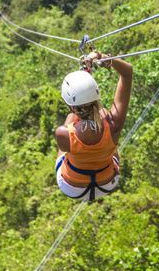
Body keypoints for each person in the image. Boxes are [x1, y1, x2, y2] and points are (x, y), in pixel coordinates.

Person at [54, 52, 132, 201]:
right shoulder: (113, 122)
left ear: (70, 106)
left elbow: (77, 122)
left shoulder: (62, 133)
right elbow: (127, 72)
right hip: (107, 182)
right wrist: (103, 57)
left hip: (73, 187)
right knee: (106, 125)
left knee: (69, 133)